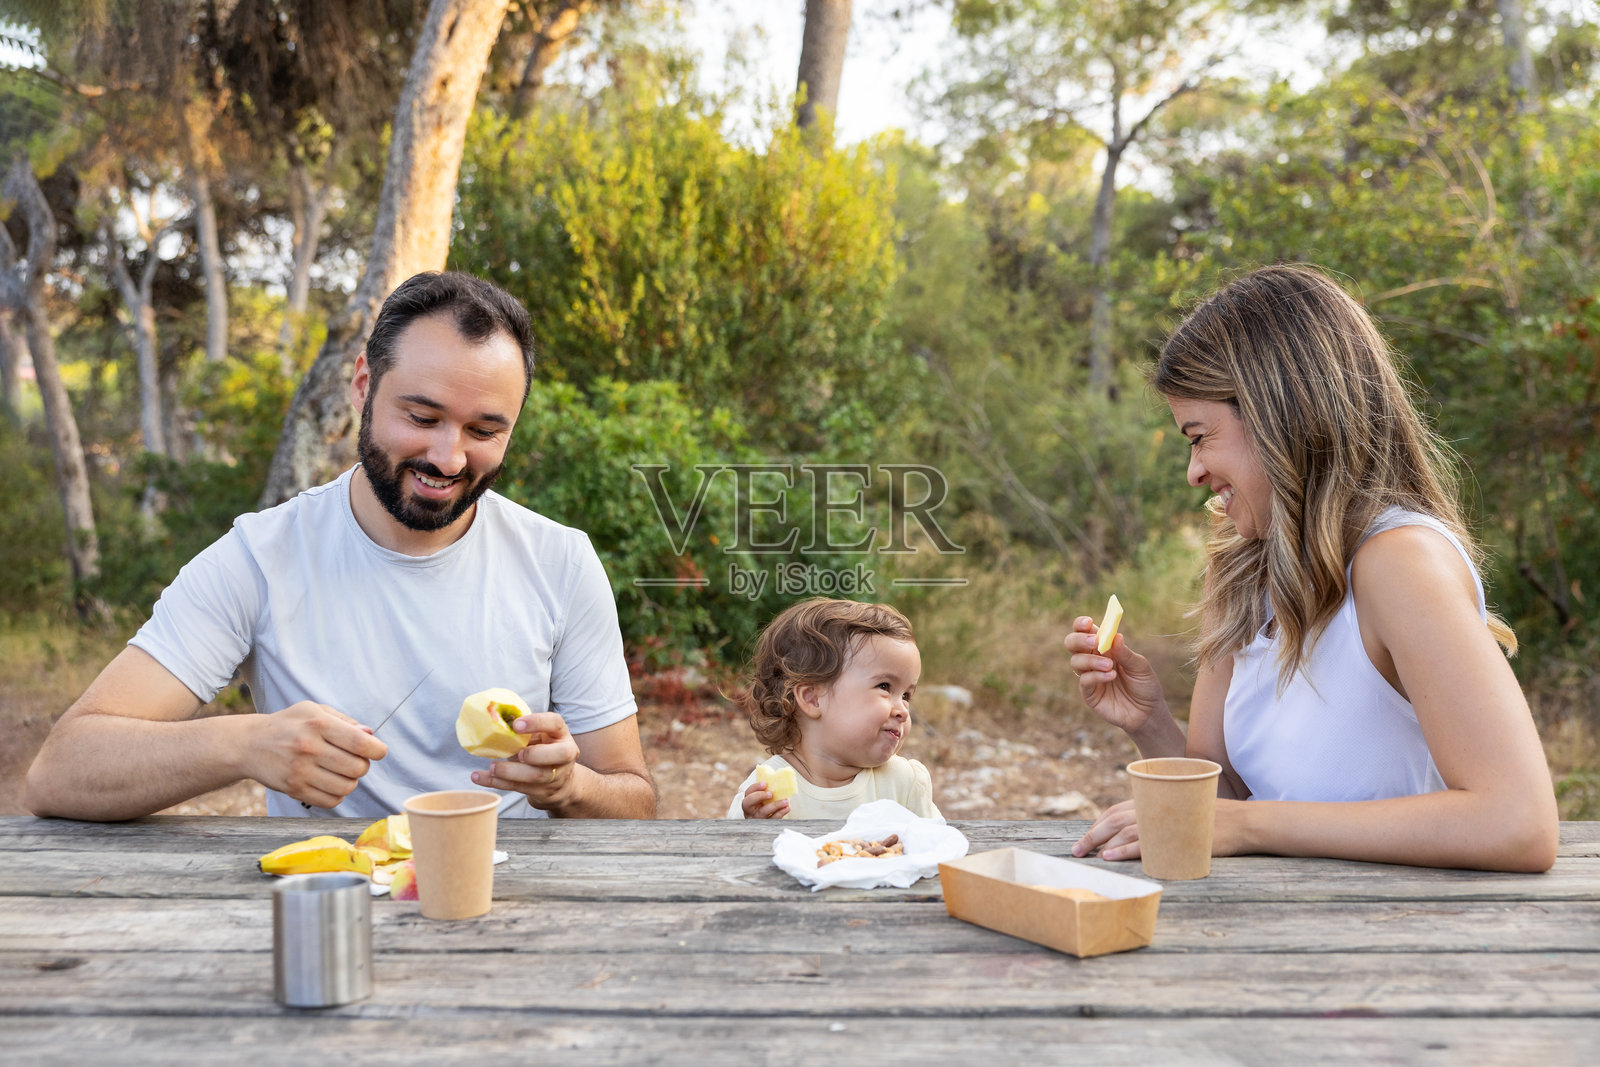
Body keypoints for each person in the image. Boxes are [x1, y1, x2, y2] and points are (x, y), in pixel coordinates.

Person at [25, 271, 655, 821]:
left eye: (484, 430)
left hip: (503, 913)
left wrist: (569, 786)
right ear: (362, 387)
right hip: (330, 905)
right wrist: (246, 746)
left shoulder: (560, 563)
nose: (449, 456)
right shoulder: (261, 558)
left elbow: (636, 800)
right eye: (422, 417)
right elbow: (59, 772)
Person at [1066, 264, 1557, 873]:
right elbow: (1223, 812)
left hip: (1405, 941)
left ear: (1279, 415)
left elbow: (1517, 822)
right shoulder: (1243, 569)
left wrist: (1250, 825)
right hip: (1279, 932)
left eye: (1199, 436)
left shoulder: (1400, 562)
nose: (1193, 471)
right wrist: (1150, 722)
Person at [727, 597, 938, 820]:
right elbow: (734, 849)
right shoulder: (770, 792)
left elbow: (936, 848)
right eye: (884, 686)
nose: (903, 710)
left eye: (906, 695)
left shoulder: (905, 782)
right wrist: (753, 827)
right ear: (813, 699)